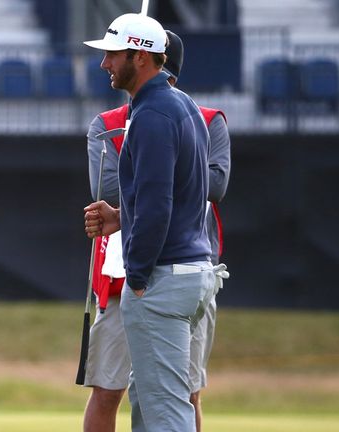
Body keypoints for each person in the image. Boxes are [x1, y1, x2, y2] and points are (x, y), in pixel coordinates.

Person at [81, 29, 231, 432]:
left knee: (165, 408)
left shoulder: (152, 115)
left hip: (160, 275)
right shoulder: (183, 107)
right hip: (192, 269)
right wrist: (121, 218)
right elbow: (181, 194)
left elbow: (157, 202)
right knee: (149, 400)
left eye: (113, 55)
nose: (104, 64)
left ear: (141, 57)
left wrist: (141, 274)